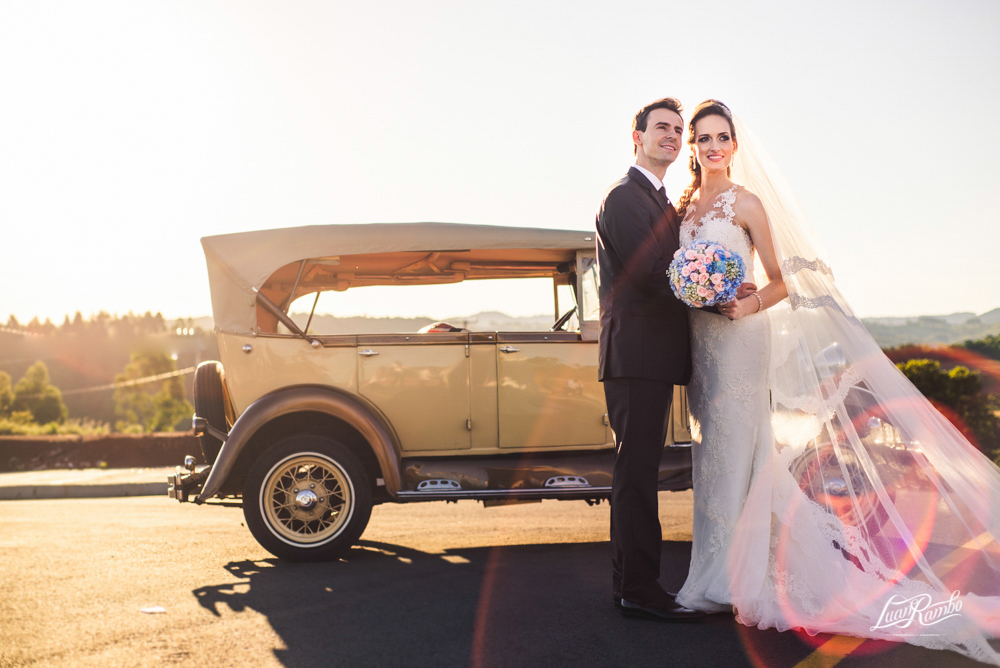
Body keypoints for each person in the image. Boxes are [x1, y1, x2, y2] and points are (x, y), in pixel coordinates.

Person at [673, 99, 1000, 665]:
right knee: (713, 457)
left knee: (739, 453)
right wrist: (695, 290)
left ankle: (727, 581)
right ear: (693, 147)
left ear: (734, 144)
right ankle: (711, 572)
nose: (713, 147)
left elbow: (780, 281)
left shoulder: (746, 203)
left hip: (741, 337)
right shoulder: (685, 211)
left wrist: (746, 305)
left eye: (722, 137)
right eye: (703, 138)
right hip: (703, 348)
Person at [594, 98, 753, 622]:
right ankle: (639, 588)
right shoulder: (623, 197)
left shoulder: (662, 199)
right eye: (661, 127)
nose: (671, 135)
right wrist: (719, 294)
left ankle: (630, 584)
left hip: (655, 356)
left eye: (677, 130)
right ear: (636, 136)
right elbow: (653, 273)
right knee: (636, 474)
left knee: (640, 470)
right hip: (635, 354)